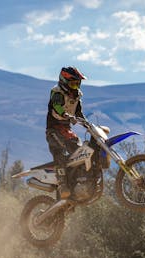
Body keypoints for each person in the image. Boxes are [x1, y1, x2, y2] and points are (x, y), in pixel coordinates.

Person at [46, 66, 87, 199]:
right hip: (53, 130)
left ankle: (78, 180)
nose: (75, 87)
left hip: (66, 130)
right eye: (73, 83)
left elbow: (79, 113)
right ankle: (63, 184)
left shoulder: (76, 96)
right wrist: (65, 114)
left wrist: (86, 123)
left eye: (77, 84)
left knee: (80, 150)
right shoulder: (57, 93)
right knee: (60, 153)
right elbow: (57, 106)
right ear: (64, 82)